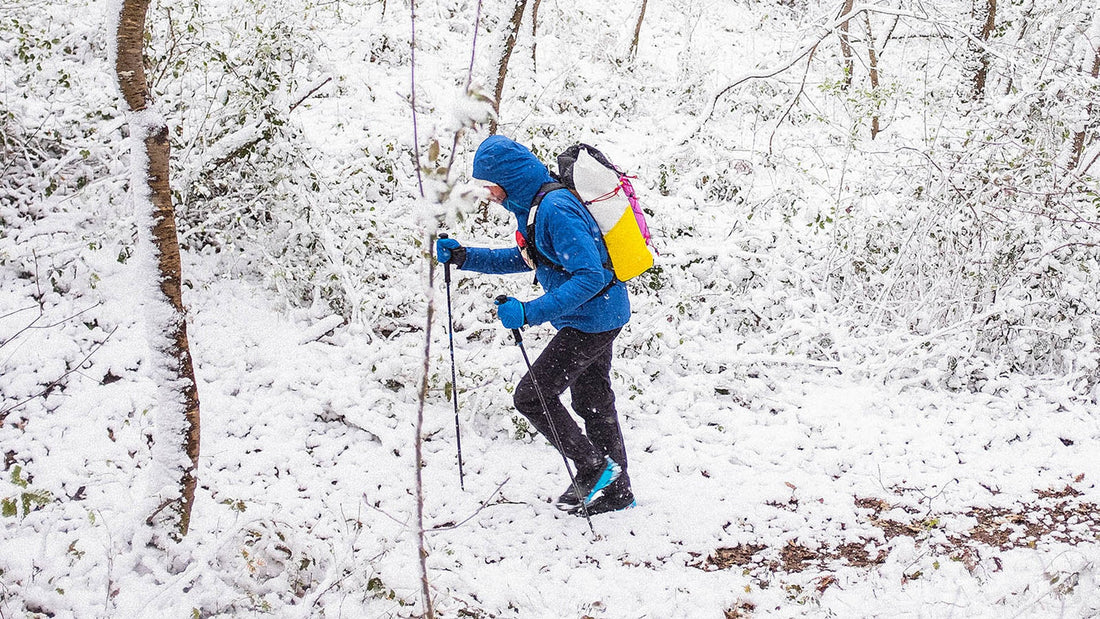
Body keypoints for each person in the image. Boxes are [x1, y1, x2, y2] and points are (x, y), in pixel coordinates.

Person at [436, 135, 636, 516]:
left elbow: (590, 276)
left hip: (591, 319)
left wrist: (529, 312)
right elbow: (530, 257)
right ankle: (618, 491)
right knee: (592, 400)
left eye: (488, 184)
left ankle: (594, 468)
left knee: (531, 396)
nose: (487, 193)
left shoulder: (554, 208)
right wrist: (465, 257)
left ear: (507, 177)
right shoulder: (533, 207)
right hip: (599, 314)